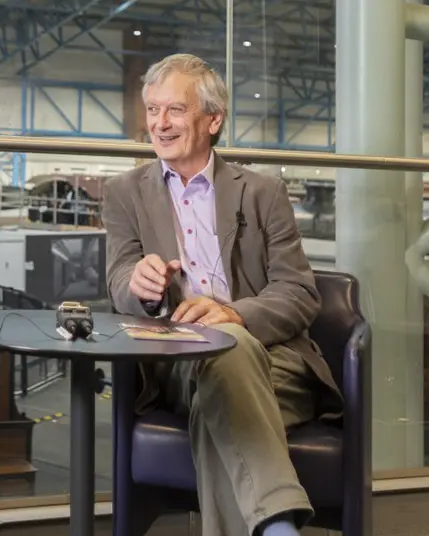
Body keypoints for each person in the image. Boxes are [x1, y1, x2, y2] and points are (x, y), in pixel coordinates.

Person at [102, 53, 343, 536]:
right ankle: (277, 527)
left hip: (276, 361)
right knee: (218, 368)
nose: (159, 124)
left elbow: (298, 292)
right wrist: (140, 285)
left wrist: (232, 314)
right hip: (177, 362)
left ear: (212, 119)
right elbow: (118, 279)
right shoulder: (124, 193)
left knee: (225, 366)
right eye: (152, 110)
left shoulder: (263, 193)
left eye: (174, 110)